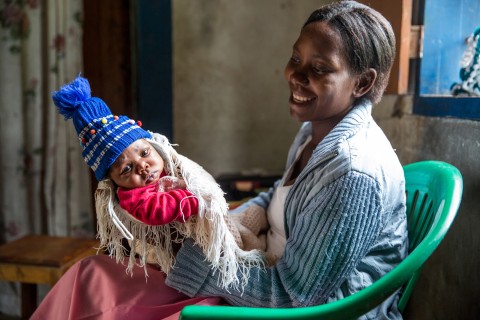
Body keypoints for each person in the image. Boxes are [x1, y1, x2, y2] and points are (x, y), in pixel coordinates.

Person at [31, 1, 408, 319]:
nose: (295, 74)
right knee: (91, 276)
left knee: (115, 299)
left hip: (304, 307)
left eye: (320, 68)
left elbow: (298, 298)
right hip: (258, 274)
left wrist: (189, 258)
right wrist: (228, 221)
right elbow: (282, 196)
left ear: (361, 83)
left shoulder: (353, 171)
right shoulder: (317, 129)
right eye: (296, 58)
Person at [52, 76, 268, 289]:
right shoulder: (132, 198)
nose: (142, 166)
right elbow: (159, 211)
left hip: (214, 220)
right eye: (127, 169)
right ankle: (264, 258)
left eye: (144, 153)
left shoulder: (171, 164)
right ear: (114, 182)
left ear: (153, 145)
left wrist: (196, 187)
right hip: (194, 247)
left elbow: (200, 179)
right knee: (244, 243)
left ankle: (259, 217)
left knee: (252, 214)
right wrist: (193, 195)